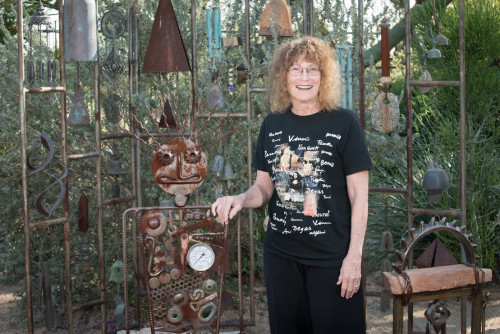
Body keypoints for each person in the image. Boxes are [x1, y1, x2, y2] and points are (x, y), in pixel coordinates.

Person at [211, 36, 372, 334]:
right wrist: (239, 199)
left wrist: (354, 258)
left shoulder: (344, 123)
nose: (304, 77)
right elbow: (263, 188)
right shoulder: (272, 124)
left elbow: (359, 196)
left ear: (324, 77)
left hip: (331, 259)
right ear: (283, 78)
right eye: (295, 69)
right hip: (281, 257)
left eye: (312, 69)